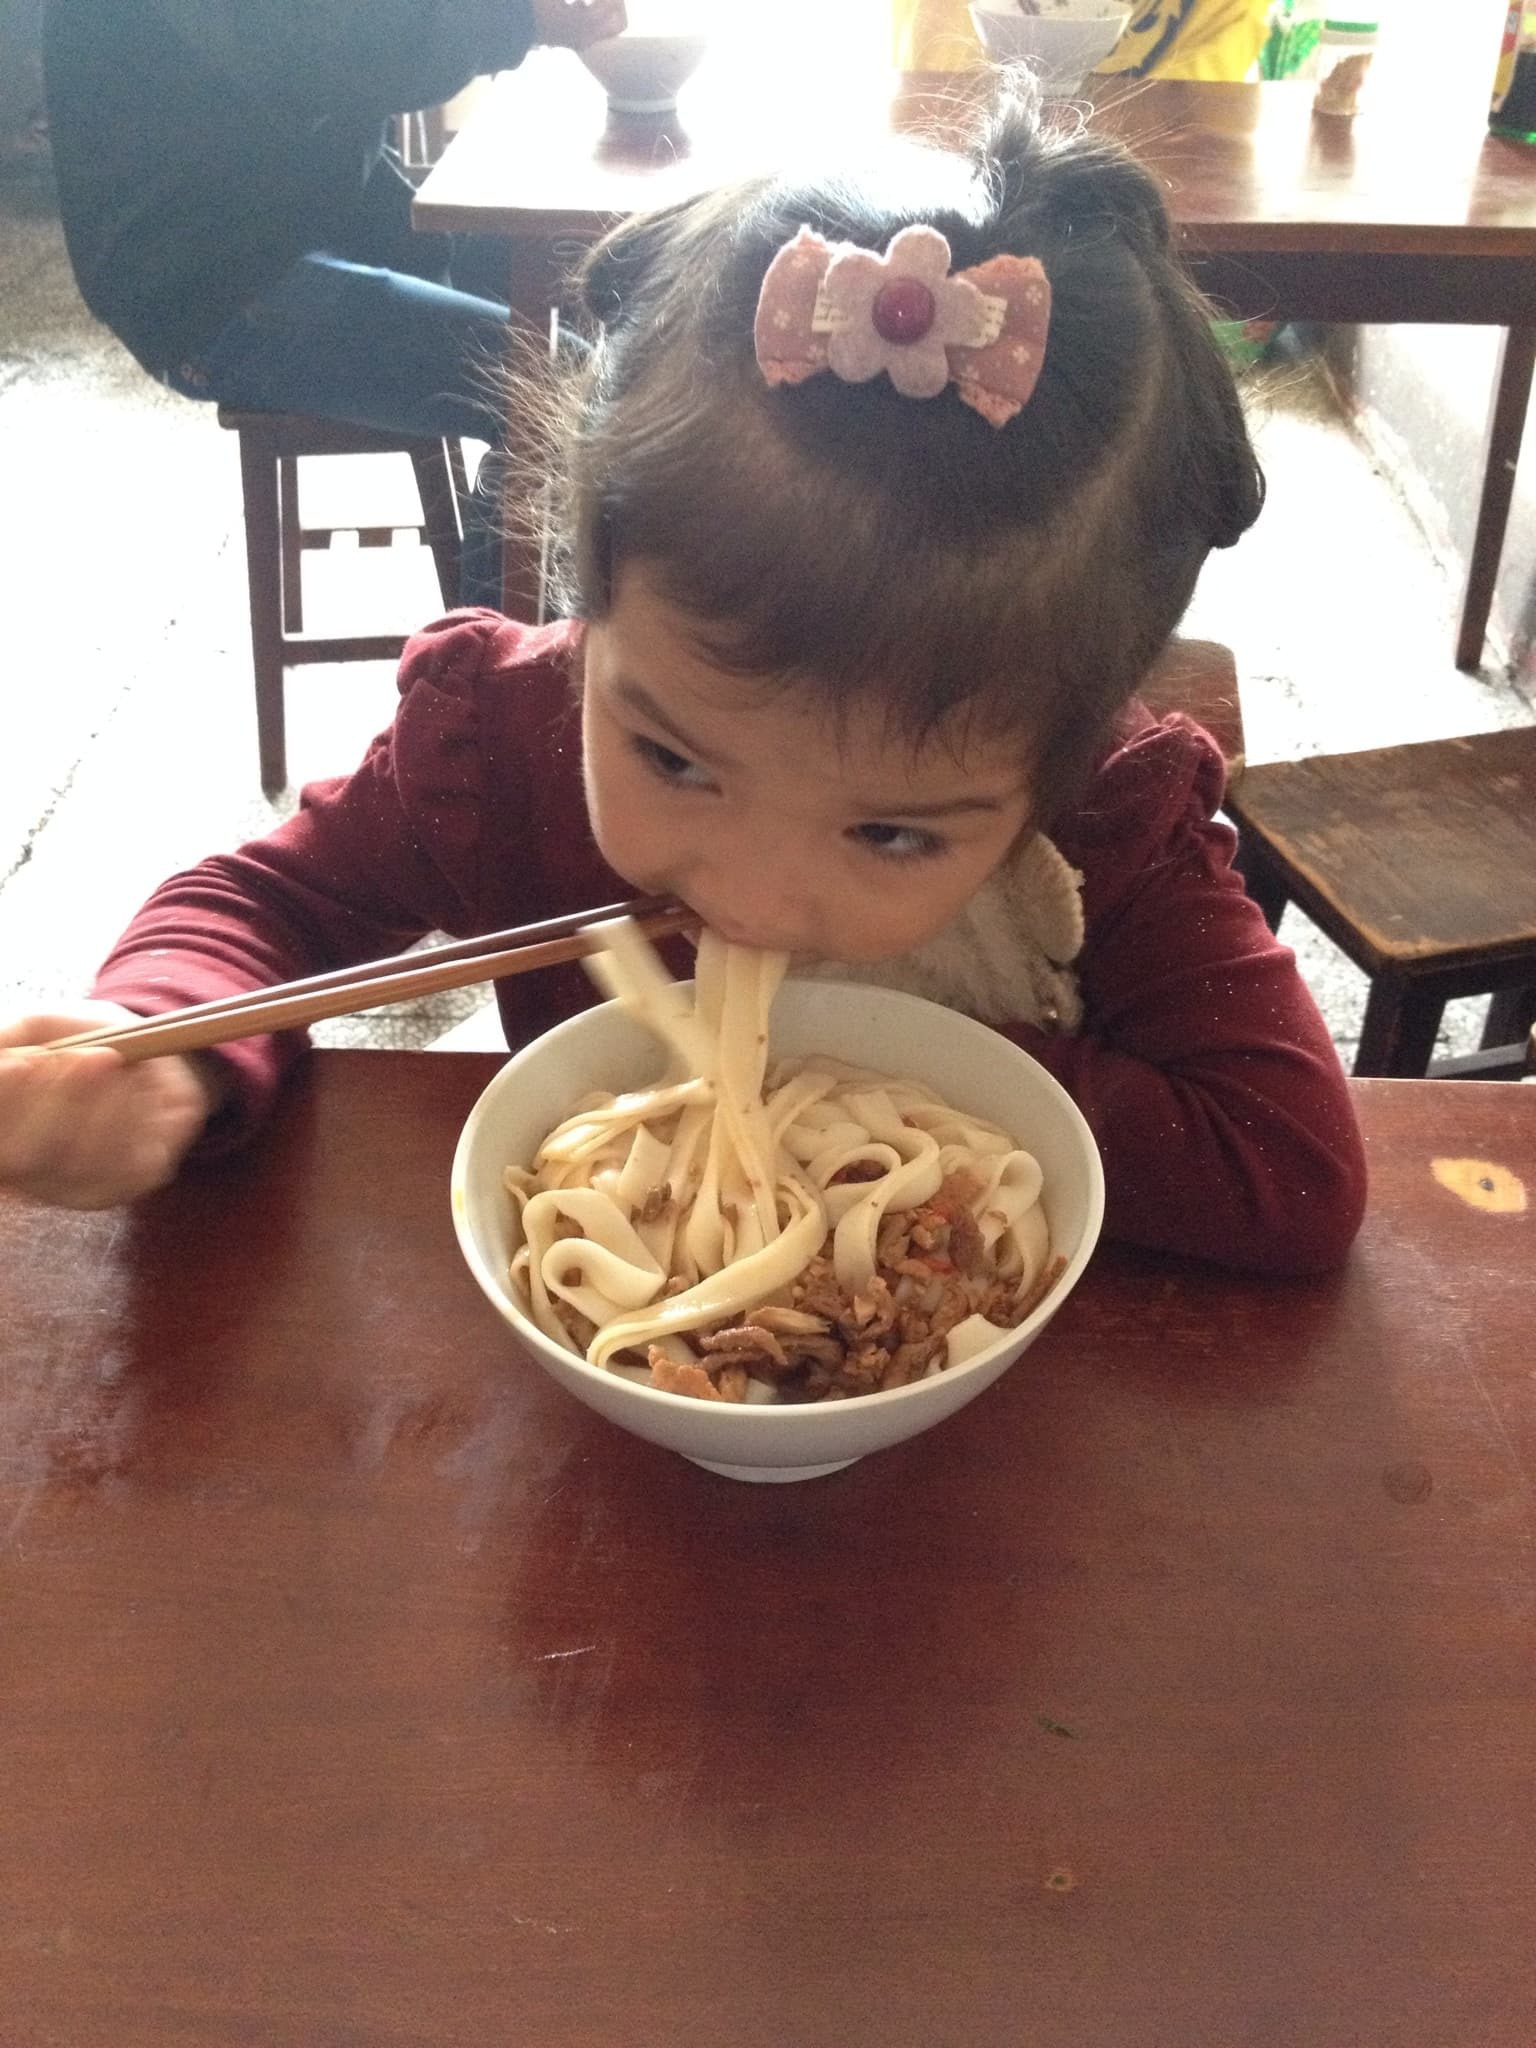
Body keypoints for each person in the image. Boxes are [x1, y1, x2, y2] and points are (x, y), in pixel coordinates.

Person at [0, 80, 1368, 1272]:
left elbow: (1294, 1175)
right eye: (673, 759)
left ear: (1059, 757)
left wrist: (895, 1082)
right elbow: (258, 904)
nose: (754, 902)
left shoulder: (1104, 824)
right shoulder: (502, 739)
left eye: (892, 832)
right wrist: (161, 1044)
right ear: (591, 599)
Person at [41, 0, 626, 608]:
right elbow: (346, 45)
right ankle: (485, 688)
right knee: (559, 385)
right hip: (206, 286)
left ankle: (558, 642)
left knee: (584, 272)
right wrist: (521, 20)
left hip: (289, 228)